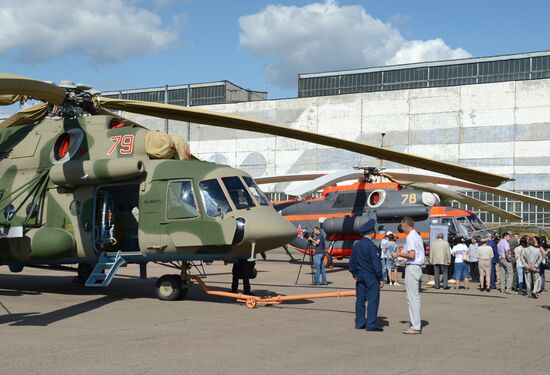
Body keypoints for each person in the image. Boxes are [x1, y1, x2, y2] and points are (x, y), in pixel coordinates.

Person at [349, 219, 384, 332]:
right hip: (371, 276)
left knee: (360, 300)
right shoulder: (371, 247)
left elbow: (351, 263)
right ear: (371, 233)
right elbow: (376, 263)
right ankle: (370, 325)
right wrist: (380, 278)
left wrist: (355, 274)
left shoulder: (356, 246)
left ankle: (359, 323)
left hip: (360, 276)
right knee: (373, 300)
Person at [391, 216, 424, 334]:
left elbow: (411, 255)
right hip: (417, 268)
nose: (401, 228)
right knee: (415, 297)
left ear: (406, 225)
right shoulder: (417, 236)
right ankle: (416, 324)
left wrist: (398, 254)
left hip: (412, 267)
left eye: (402, 225)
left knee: (412, 298)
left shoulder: (410, 237)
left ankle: (415, 326)